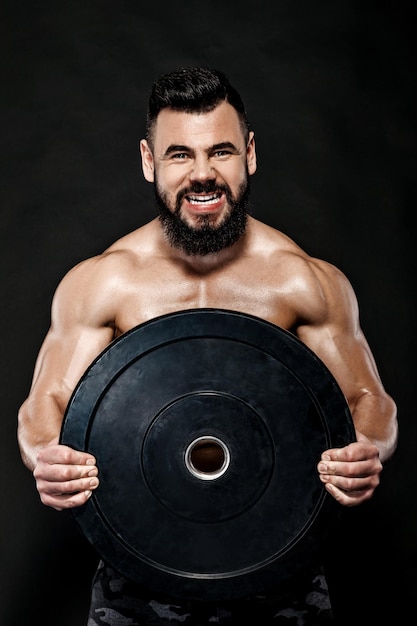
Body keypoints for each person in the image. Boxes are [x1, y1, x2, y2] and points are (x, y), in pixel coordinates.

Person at [17, 66, 398, 625]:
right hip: (140, 573)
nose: (202, 175)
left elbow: (371, 396)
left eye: (220, 152)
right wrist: (46, 456)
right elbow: (44, 402)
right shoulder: (106, 282)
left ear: (249, 153)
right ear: (149, 161)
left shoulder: (300, 280)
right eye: (180, 155)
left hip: (280, 571)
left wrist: (366, 447)